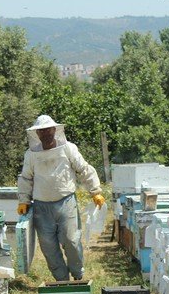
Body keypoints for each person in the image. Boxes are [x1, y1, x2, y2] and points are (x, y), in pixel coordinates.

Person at [17, 115, 105, 281]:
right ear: (37, 134)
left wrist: (95, 191)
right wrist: (24, 200)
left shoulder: (68, 148)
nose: (45, 133)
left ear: (55, 130)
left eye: (48, 130)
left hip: (66, 202)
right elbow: (26, 178)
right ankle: (61, 280)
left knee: (71, 240)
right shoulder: (31, 154)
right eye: (42, 131)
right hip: (41, 207)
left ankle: (78, 275)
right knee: (48, 246)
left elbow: (83, 169)